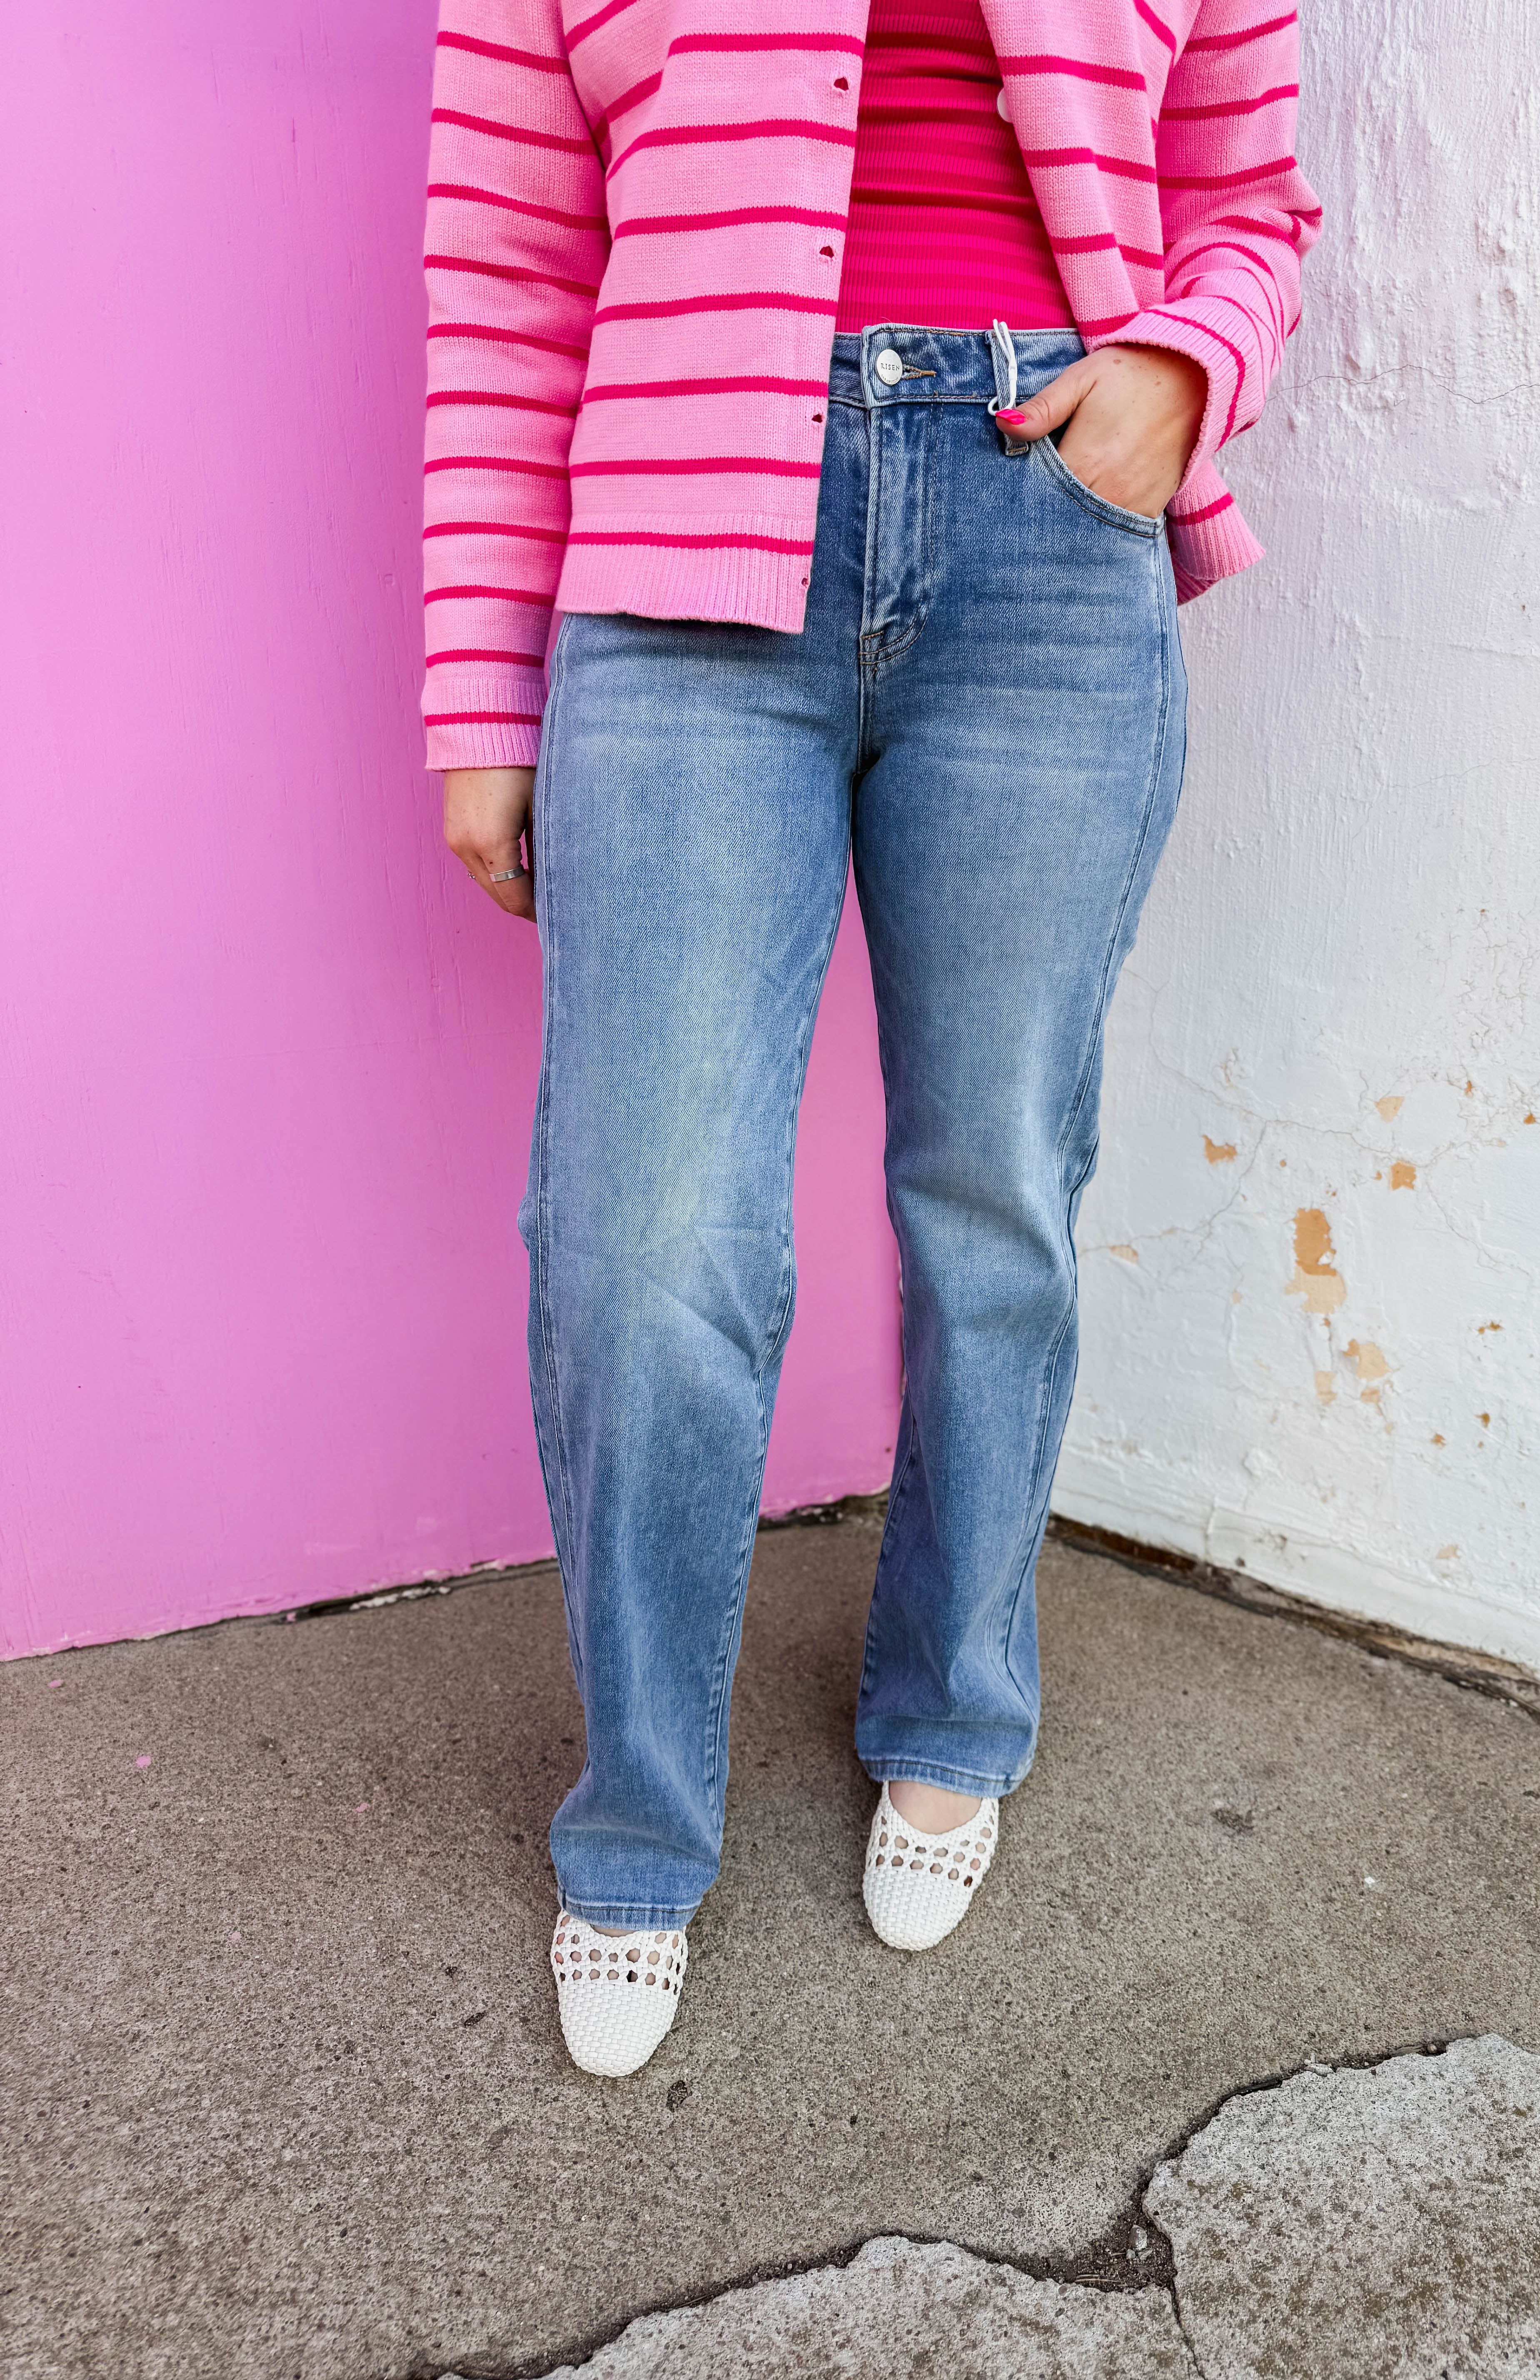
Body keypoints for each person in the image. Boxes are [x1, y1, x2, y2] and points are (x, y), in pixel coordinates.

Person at [421, 0, 1319, 2077]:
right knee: (644, 1236)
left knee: (995, 1187)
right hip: (675, 566)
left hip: (1046, 532)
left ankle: (954, 1706)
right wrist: (481, 695)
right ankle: (638, 1816)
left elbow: (1251, 198)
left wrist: (1183, 372)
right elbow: (510, 269)